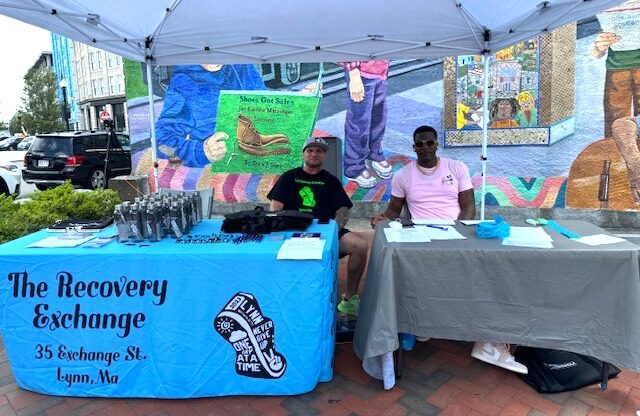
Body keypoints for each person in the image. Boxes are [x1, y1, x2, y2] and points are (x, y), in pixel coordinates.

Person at [370, 125, 528, 374]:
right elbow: (394, 210)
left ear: (436, 144)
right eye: (419, 144)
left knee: (480, 275)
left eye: (429, 143)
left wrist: (461, 233)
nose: (424, 148)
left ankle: (480, 333)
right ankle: (413, 324)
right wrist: (382, 217)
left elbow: (468, 207)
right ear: (414, 148)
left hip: (455, 232)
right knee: (407, 274)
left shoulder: (457, 168)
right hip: (421, 237)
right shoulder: (403, 176)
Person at [267, 137, 369, 316]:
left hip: (325, 230)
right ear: (304, 153)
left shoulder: (331, 181)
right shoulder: (289, 177)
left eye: (319, 151)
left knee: (360, 245)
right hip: (294, 230)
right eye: (310, 150)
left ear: (324, 155)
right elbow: (275, 209)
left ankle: (350, 300)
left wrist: (332, 233)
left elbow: (343, 210)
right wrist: (284, 230)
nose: (314, 154)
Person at [339, 61, 393, 188]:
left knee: (378, 118)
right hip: (361, 73)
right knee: (359, 122)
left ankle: (373, 154)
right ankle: (354, 167)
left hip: (380, 69)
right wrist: (353, 72)